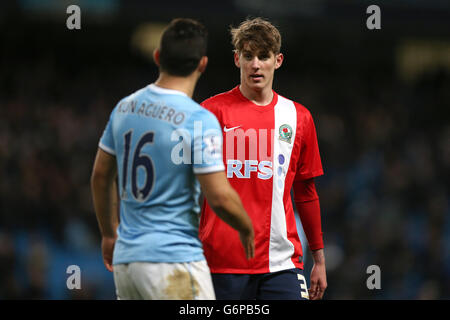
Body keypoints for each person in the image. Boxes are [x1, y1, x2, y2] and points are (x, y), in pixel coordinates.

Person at [90, 18, 254, 300]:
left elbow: (101, 176)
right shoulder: (198, 119)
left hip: (127, 264)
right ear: (202, 64)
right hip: (173, 261)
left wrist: (108, 233)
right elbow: (220, 198)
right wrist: (246, 227)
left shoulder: (125, 107)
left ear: (157, 57)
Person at [199, 17, 327, 300]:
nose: (255, 64)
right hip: (221, 264)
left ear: (277, 60)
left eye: (263, 56)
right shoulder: (210, 112)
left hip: (281, 264)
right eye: (248, 56)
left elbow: (306, 192)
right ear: (237, 59)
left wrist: (318, 259)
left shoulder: (299, 118)